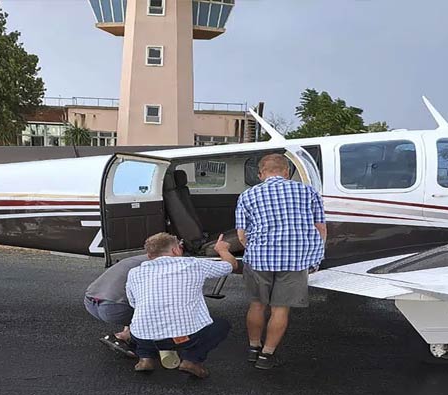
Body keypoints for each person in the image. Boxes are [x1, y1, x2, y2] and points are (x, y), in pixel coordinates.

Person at [235, 153, 327, 370]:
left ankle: (253, 347)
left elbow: (241, 234)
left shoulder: (248, 195)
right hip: (295, 260)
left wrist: (256, 249)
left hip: (259, 259)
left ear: (260, 174)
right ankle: (267, 355)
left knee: (257, 305)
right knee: (280, 309)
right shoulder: (308, 191)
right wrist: (314, 255)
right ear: (287, 172)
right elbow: (321, 229)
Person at [126, 232, 237, 379]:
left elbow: (133, 303)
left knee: (143, 324)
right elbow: (230, 265)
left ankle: (145, 357)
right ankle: (191, 360)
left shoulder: (134, 273)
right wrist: (223, 250)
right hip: (184, 337)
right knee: (221, 326)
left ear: (149, 255)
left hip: (143, 337)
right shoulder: (193, 264)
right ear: (175, 250)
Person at [84, 254, 148, 357]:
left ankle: (126, 333)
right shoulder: (165, 265)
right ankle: (134, 340)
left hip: (90, 301)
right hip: (113, 308)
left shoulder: (137, 258)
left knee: (130, 295)